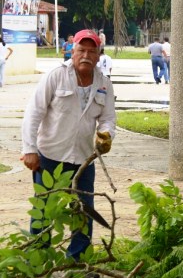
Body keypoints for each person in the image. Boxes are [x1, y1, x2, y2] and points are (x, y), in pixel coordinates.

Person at [21, 29, 116, 261]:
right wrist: (29, 150)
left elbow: (108, 117)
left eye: (91, 51)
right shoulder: (55, 76)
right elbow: (33, 113)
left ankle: (78, 259)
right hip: (50, 156)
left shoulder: (104, 83)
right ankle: (39, 258)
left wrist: (105, 135)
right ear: (72, 52)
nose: (86, 55)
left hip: (83, 159)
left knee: (83, 210)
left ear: (98, 55)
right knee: (44, 208)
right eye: (81, 50)